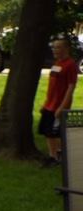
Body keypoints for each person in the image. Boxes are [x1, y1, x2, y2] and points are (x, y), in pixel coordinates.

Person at [39, 38, 77, 167]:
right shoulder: (57, 63)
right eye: (53, 47)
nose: (54, 50)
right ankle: (54, 155)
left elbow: (71, 87)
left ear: (66, 49)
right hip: (50, 104)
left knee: (55, 132)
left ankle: (59, 156)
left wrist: (62, 107)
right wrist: (46, 103)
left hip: (59, 105)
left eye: (58, 47)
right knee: (47, 131)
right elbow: (52, 86)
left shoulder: (70, 65)